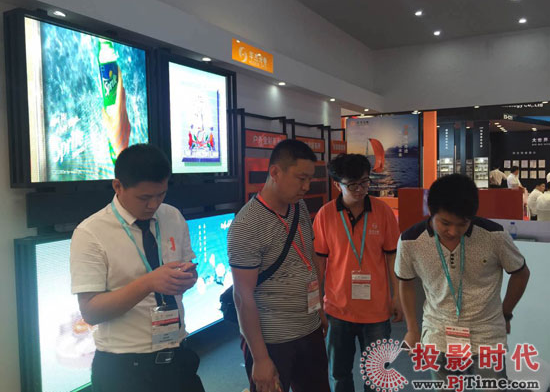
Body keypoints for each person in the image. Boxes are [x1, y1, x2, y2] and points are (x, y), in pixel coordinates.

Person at [70, 144, 205, 392]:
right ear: (118, 186)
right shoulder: (90, 233)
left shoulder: (173, 216)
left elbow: (189, 266)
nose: (154, 204)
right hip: (124, 366)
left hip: (177, 354)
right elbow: (90, 311)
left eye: (161, 194)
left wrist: (188, 277)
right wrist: (149, 283)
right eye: (144, 198)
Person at [396, 174, 530, 381]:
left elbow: (521, 273)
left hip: (486, 334)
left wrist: (505, 313)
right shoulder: (410, 241)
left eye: (462, 224)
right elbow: (405, 283)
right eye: (445, 223)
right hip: (438, 332)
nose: (453, 231)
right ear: (431, 211)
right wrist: (412, 329)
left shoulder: (494, 235)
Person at [228, 139, 330, 392]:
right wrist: (260, 358)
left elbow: (309, 260)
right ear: (275, 172)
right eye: (301, 178)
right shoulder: (246, 225)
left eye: (310, 179)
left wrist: (318, 308)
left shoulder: (299, 207)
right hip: (273, 340)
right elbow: (242, 296)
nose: (306, 187)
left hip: (310, 329)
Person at [312, 154, 401, 392]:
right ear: (337, 185)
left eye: (364, 182)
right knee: (339, 374)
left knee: (377, 375)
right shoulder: (325, 215)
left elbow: (392, 258)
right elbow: (318, 264)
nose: (360, 189)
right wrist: (316, 304)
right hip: (337, 310)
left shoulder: (383, 212)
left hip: (376, 311)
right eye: (352, 185)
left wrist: (397, 296)